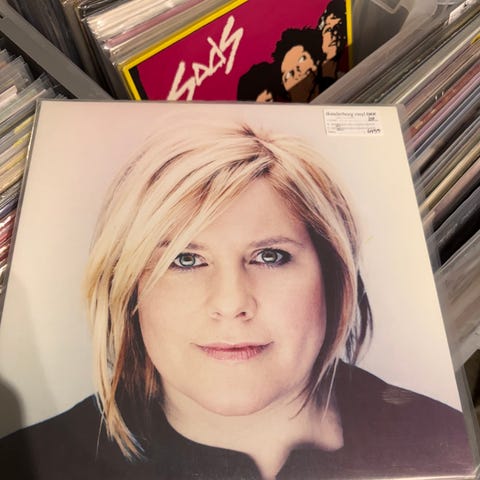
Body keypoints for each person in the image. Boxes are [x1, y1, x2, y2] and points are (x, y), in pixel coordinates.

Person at [0, 121, 473, 479]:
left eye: (270, 256)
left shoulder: (447, 442)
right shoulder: (25, 464)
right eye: (185, 260)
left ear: (332, 277)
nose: (230, 303)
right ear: (129, 292)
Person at [272, 28, 334, 102]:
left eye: (301, 59)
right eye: (289, 74)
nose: (297, 72)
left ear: (315, 61)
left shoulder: (335, 86)